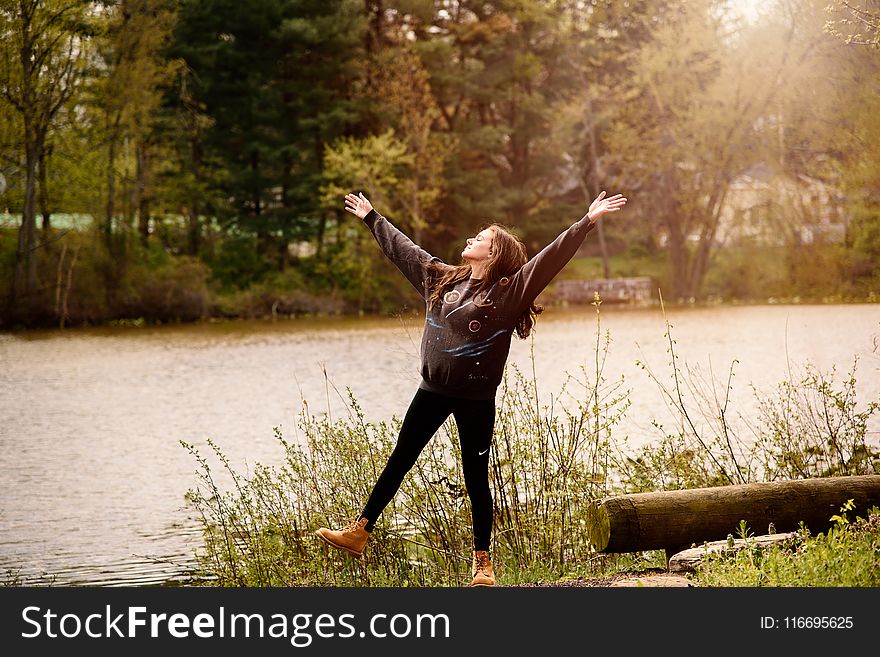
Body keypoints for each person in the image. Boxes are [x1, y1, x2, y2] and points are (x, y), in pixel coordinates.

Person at [316, 189, 627, 586]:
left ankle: (483, 565)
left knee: (475, 476)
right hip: (432, 392)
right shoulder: (441, 280)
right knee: (400, 458)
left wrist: (586, 222)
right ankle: (359, 532)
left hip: (476, 399)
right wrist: (372, 217)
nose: (470, 241)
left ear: (493, 253)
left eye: (479, 239)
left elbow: (549, 258)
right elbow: (405, 250)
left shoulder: (509, 292)